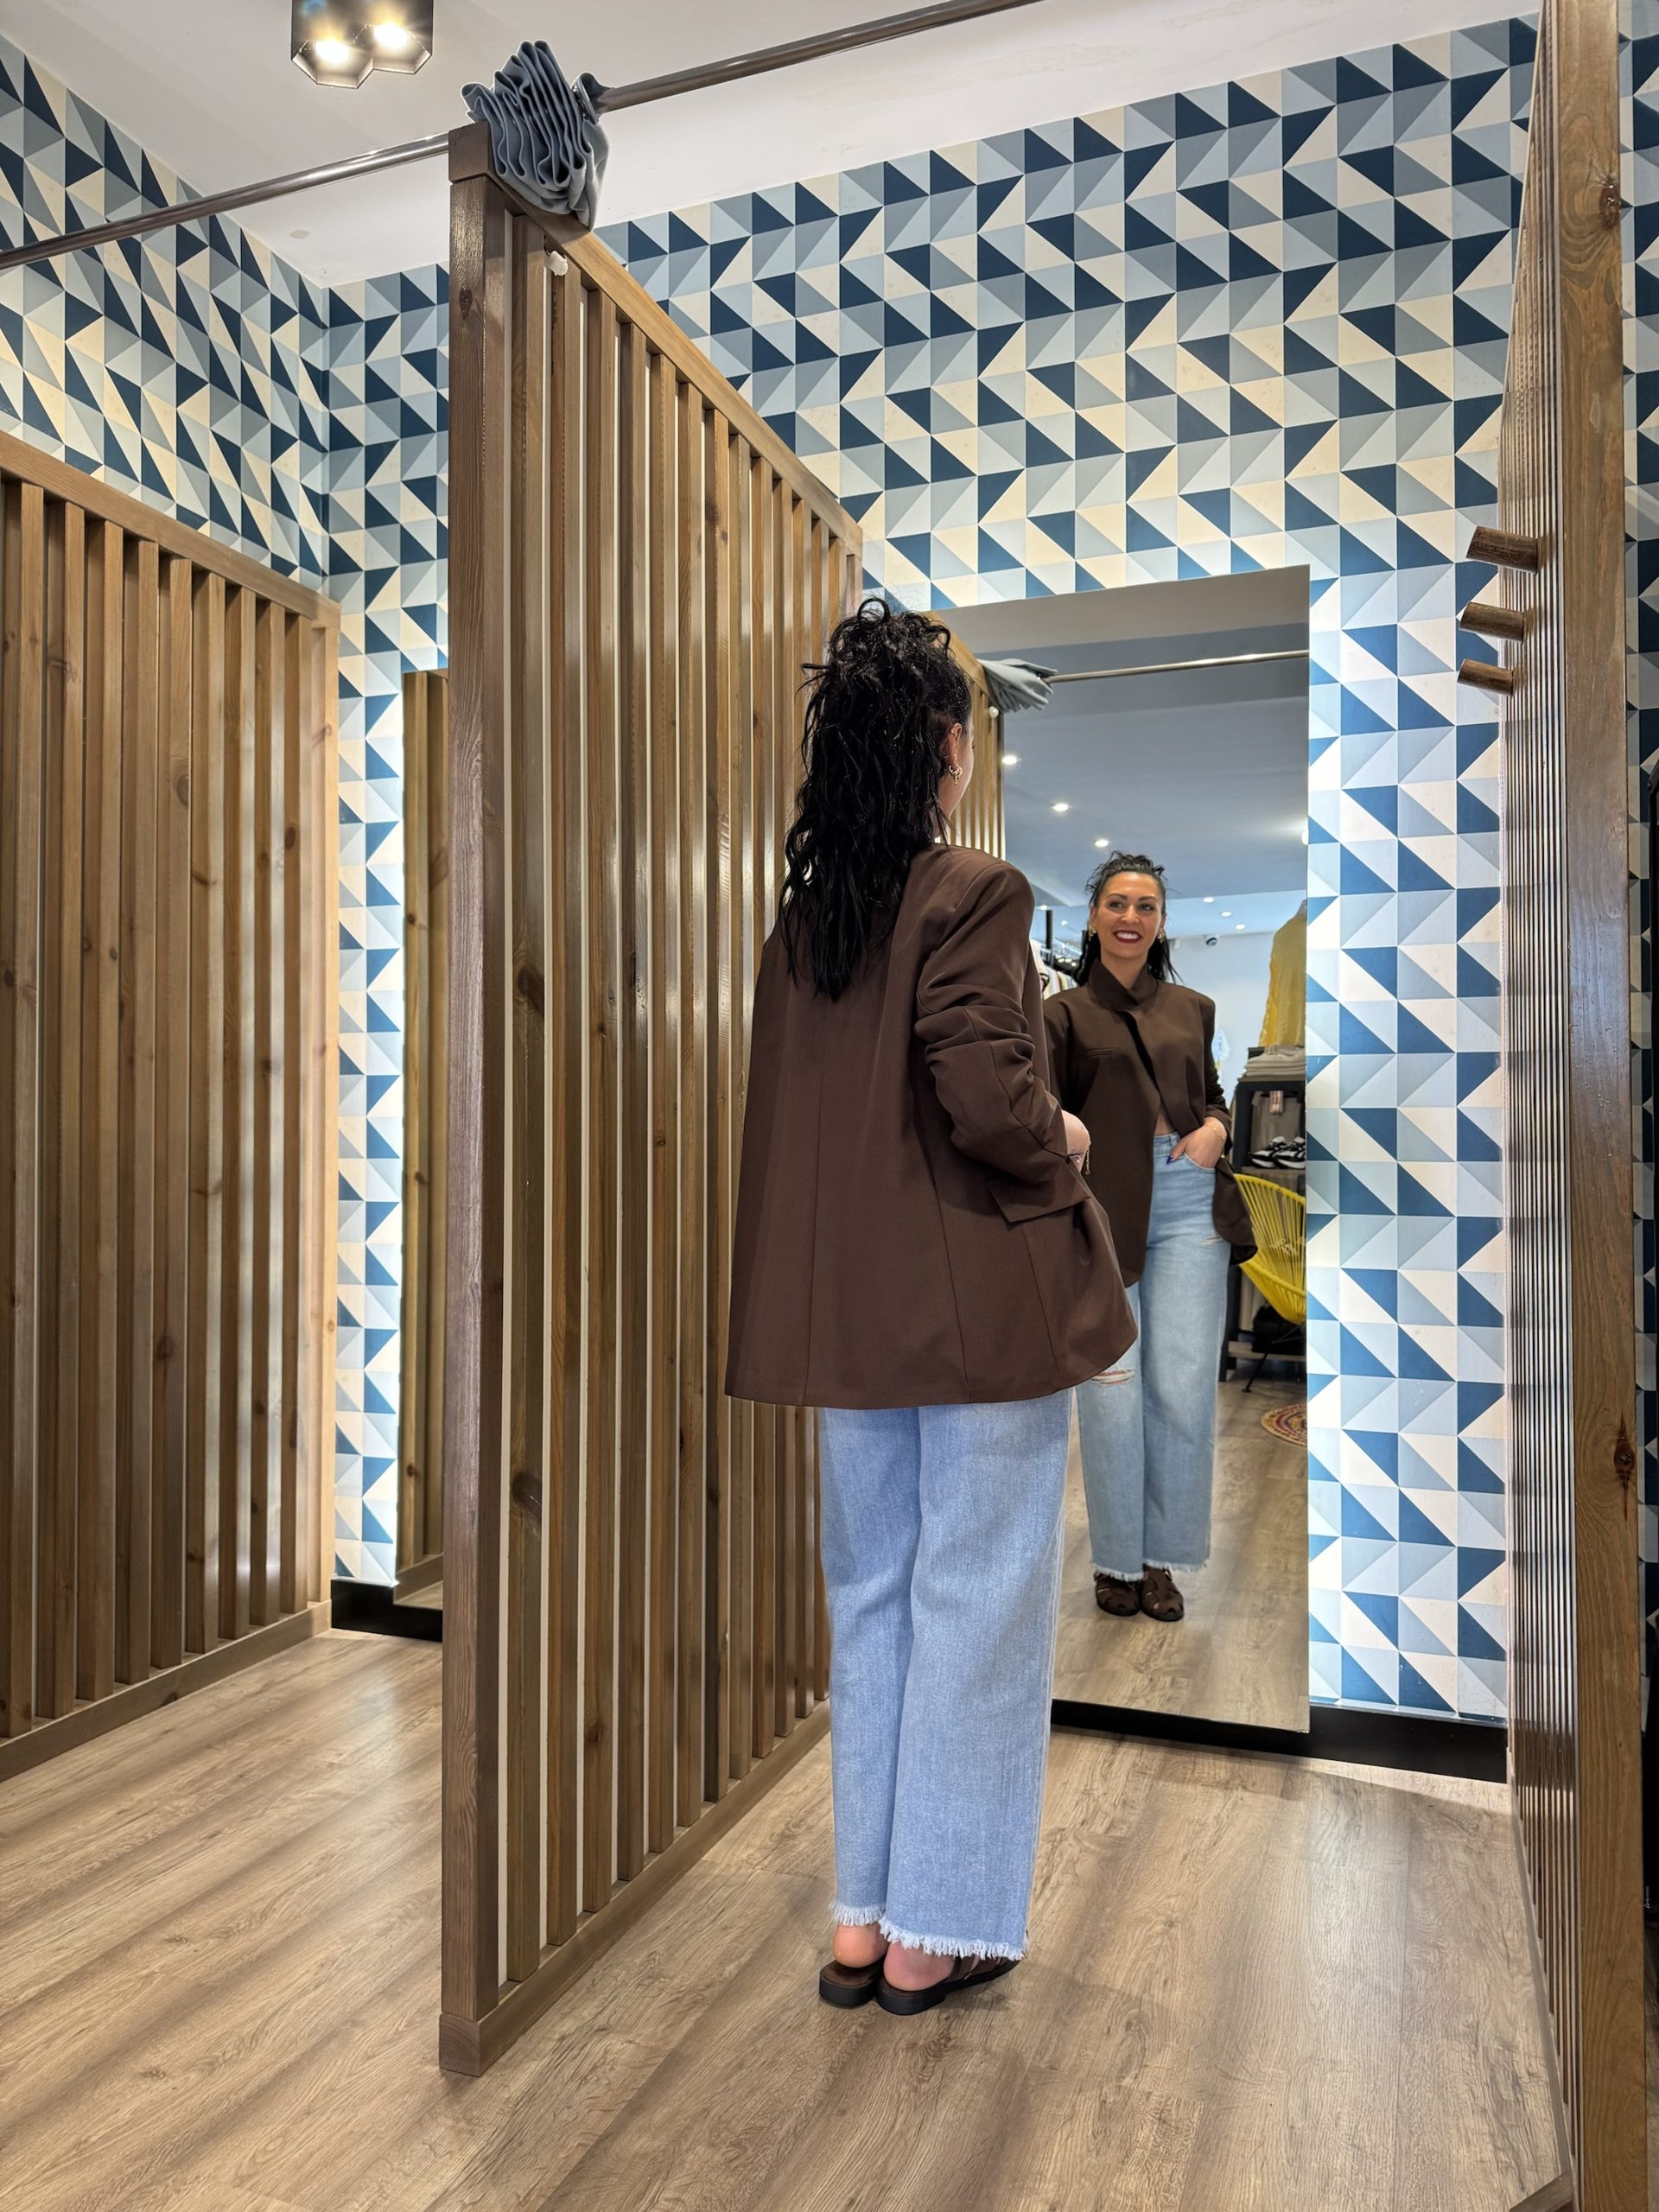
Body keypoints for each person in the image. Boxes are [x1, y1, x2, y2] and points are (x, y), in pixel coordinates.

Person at [728, 600, 1133, 2017]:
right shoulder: (976, 892)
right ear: (947, 750)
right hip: (975, 1320)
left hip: (850, 1324)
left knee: (875, 1601)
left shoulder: (807, 924)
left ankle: (862, 1922)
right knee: (979, 1603)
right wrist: (1063, 1139)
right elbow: (986, 1097)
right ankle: (936, 1932)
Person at [1045, 853, 1255, 1624]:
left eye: (1146, 906)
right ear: (1093, 916)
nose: (1131, 917)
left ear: (1162, 922)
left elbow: (1215, 1095)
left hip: (1190, 1201)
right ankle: (1115, 1560)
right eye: (1117, 903)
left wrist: (1215, 1131)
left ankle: (1163, 1557)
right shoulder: (1062, 1015)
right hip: (1102, 1210)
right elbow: (1042, 1112)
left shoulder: (1193, 1008)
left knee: (1183, 1388)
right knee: (1111, 1390)